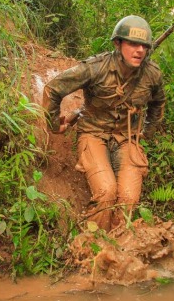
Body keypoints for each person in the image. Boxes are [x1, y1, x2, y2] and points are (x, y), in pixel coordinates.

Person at [43, 15, 166, 232]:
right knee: (106, 192)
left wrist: (146, 132)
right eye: (132, 44)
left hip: (126, 137)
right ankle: (96, 248)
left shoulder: (151, 74)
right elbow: (53, 89)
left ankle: (119, 248)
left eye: (144, 46)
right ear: (118, 43)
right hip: (93, 132)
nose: (139, 50)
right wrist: (54, 125)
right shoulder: (95, 68)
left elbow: (158, 104)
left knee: (128, 197)